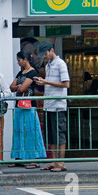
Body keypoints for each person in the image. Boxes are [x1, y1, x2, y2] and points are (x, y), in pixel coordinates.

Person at [34, 41, 70, 172]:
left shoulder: (61, 64)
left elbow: (66, 84)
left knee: (59, 135)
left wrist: (46, 81)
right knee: (51, 136)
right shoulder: (48, 65)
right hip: (49, 104)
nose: (44, 56)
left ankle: (61, 163)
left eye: (46, 54)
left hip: (58, 105)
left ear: (52, 50)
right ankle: (54, 162)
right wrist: (43, 82)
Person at [9, 51, 46, 169]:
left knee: (31, 132)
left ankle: (34, 159)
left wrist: (19, 87)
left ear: (25, 59)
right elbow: (11, 87)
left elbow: (23, 88)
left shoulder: (33, 72)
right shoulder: (21, 72)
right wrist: (19, 87)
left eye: (19, 60)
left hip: (29, 106)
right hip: (19, 105)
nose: (18, 63)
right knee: (19, 131)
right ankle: (19, 158)